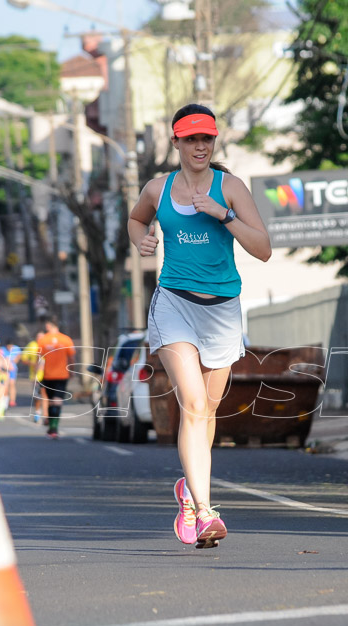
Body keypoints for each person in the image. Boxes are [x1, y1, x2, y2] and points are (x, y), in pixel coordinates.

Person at [127, 103, 271, 549]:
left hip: (223, 310)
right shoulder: (158, 188)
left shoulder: (230, 188)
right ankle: (206, 512)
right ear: (176, 143)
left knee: (208, 411)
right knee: (191, 404)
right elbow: (135, 218)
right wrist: (143, 239)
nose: (200, 146)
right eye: (191, 139)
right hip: (174, 305)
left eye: (206, 138)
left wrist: (221, 214)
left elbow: (263, 248)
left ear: (214, 142)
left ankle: (190, 492)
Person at [36, 316, 75, 440]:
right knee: (57, 401)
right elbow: (71, 357)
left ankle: (52, 428)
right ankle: (54, 427)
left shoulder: (43, 340)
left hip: (48, 375)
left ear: (49, 325)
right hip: (62, 375)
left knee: (51, 400)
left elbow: (39, 359)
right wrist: (72, 371)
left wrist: (36, 375)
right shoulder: (66, 340)